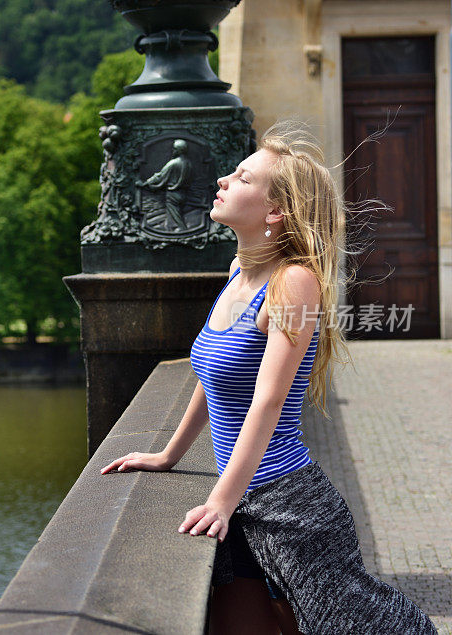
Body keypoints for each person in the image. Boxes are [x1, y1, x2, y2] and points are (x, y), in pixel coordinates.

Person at [101, 122, 437, 635]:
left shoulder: (294, 283)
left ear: (275, 211)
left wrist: (222, 499)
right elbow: (210, 375)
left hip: (288, 507)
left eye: (241, 177)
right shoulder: (239, 270)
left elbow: (268, 401)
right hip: (242, 500)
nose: (221, 181)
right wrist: (169, 455)